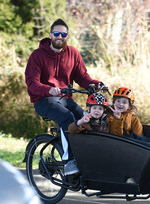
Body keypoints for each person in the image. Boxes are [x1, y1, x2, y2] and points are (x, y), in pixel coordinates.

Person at [25, 18, 105, 175]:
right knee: (67, 117)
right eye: (56, 33)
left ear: (67, 36)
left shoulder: (73, 53)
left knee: (85, 119)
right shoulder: (37, 56)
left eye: (63, 34)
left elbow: (82, 78)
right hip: (43, 100)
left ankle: (85, 158)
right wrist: (48, 90)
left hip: (66, 99)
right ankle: (69, 162)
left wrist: (97, 85)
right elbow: (32, 83)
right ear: (50, 35)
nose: (59, 37)